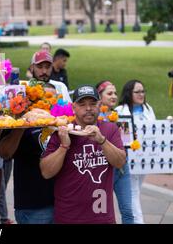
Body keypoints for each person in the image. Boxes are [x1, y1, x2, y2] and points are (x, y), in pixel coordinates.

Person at [40, 84, 126, 224]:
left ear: (99, 105)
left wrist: (102, 141)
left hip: (102, 216)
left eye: (92, 104)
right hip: (69, 217)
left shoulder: (109, 130)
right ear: (73, 107)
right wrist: (64, 145)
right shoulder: (62, 131)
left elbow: (120, 162)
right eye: (82, 104)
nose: (88, 109)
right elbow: (46, 172)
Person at [115, 80, 156, 224]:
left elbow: (154, 132)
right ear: (129, 93)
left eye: (143, 91)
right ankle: (138, 221)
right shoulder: (121, 111)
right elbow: (123, 139)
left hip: (145, 158)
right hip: (129, 158)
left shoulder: (148, 109)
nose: (141, 94)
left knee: (136, 190)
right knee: (132, 192)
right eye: (137, 91)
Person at [95, 80, 134, 224]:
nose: (114, 96)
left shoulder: (120, 115)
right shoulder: (94, 118)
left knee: (128, 211)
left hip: (123, 169)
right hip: (103, 170)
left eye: (115, 93)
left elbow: (126, 142)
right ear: (99, 96)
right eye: (109, 93)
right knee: (102, 212)